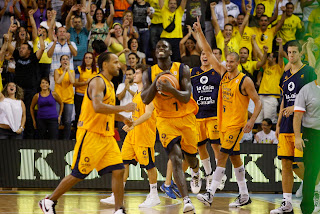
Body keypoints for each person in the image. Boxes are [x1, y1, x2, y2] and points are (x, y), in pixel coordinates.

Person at [38, 52, 136, 214]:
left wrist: (122, 118)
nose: (119, 65)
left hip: (106, 136)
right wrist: (124, 108)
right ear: (105, 65)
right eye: (116, 62)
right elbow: (98, 107)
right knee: (78, 174)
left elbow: (107, 110)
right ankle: (49, 201)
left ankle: (119, 210)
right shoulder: (97, 82)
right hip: (91, 134)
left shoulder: (110, 85)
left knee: (119, 170)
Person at [193, 17, 262, 208]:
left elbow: (258, 102)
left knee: (221, 156)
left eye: (232, 62)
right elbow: (207, 51)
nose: (229, 64)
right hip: (223, 123)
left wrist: (251, 121)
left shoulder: (244, 80)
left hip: (236, 124)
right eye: (227, 61)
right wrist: (199, 32)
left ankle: (210, 193)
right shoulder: (223, 73)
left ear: (238, 62)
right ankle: (244, 195)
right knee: (235, 158)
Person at [141, 39, 200, 213]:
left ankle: (196, 171)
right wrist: (156, 83)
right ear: (155, 52)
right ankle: (187, 200)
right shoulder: (149, 73)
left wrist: (170, 89)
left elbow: (186, 96)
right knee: (175, 157)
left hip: (185, 117)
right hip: (165, 119)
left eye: (164, 47)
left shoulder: (182, 69)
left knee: (191, 157)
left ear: (170, 52)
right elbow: (145, 98)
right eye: (158, 46)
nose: (161, 49)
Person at [101, 64, 161, 208]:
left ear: (145, 76)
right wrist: (129, 122)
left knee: (149, 166)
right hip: (132, 134)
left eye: (138, 73)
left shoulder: (150, 93)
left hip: (144, 134)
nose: (134, 75)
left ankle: (154, 195)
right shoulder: (137, 93)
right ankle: (117, 194)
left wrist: (133, 123)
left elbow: (148, 114)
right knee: (123, 163)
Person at [271, 41, 317, 214]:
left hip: (304, 125)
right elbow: (284, 99)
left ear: (300, 54)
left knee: (301, 163)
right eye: (289, 52)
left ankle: (314, 190)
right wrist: (278, 122)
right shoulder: (285, 75)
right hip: (286, 125)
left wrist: (297, 107)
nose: (291, 55)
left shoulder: (308, 72)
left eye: (294, 52)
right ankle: (287, 203)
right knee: (286, 163)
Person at [190, 50, 227, 191]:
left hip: (213, 115)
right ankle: (209, 174)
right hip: (198, 116)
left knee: (215, 146)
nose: (205, 57)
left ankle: (219, 175)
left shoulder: (217, 73)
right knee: (200, 146)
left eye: (207, 54)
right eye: (202, 54)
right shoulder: (193, 72)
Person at [294, 59, 320, 214]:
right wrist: (298, 137)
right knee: (311, 170)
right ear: (316, 70)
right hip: (312, 134)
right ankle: (307, 208)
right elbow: (297, 116)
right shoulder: (306, 89)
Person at [6, 33, 45, 139]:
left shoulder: (33, 58)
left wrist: (40, 36)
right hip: (18, 90)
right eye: (20, 48)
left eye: (23, 48)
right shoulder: (17, 56)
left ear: (29, 51)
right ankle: (16, 134)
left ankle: (29, 137)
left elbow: (42, 48)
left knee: (28, 113)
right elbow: (8, 44)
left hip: (30, 90)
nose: (21, 50)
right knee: (17, 112)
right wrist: (10, 31)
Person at [255, 37, 284, 124]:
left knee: (269, 122)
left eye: (270, 57)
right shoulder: (266, 65)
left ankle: (272, 137)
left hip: (271, 97)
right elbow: (259, 54)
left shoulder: (279, 68)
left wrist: (281, 44)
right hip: (261, 96)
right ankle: (260, 138)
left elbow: (280, 56)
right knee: (258, 121)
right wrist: (265, 52)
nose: (268, 59)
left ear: (274, 58)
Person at [47, 26, 78, 90]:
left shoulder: (72, 43)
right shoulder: (51, 44)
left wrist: (68, 42)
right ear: (57, 34)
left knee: (69, 95)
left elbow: (75, 54)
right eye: (60, 32)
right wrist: (55, 42)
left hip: (68, 74)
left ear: (67, 33)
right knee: (54, 94)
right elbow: (49, 55)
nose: (62, 33)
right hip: (54, 73)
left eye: (64, 32)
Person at [74, 52, 98, 130]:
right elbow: (75, 83)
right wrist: (85, 83)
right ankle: (78, 132)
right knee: (79, 115)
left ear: (93, 60)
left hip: (92, 97)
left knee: (91, 115)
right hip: (80, 95)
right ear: (84, 59)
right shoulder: (79, 69)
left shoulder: (97, 70)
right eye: (86, 58)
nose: (88, 60)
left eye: (90, 58)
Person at [54, 55, 75, 140]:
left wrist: (68, 71)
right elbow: (58, 81)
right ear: (60, 62)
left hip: (69, 99)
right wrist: (64, 72)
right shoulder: (57, 71)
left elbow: (73, 81)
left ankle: (66, 140)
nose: (65, 61)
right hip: (58, 99)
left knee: (67, 121)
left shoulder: (72, 71)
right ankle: (56, 139)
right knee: (57, 119)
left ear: (69, 62)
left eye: (67, 59)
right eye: (63, 59)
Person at [116, 68, 138, 141]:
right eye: (127, 75)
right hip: (123, 117)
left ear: (134, 75)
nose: (128, 76)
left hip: (134, 117)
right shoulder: (121, 86)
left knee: (134, 140)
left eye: (130, 74)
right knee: (123, 140)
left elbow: (138, 98)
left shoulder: (137, 86)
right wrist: (125, 88)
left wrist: (129, 89)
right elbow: (119, 97)